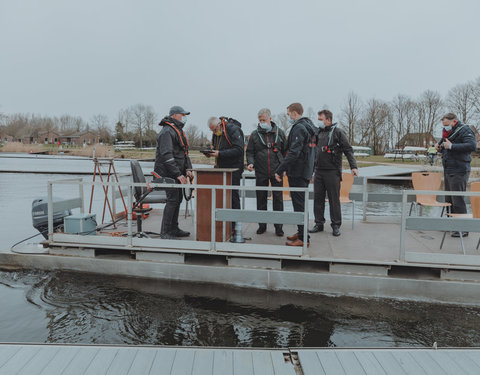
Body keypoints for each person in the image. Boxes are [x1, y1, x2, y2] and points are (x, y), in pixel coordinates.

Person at [309, 110, 358, 237]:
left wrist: (354, 166)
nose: (318, 122)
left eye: (321, 119)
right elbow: (314, 153)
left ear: (328, 120)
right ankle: (319, 224)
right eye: (318, 119)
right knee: (318, 199)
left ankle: (336, 225)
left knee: (334, 200)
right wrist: (311, 172)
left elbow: (348, 150)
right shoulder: (318, 133)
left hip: (332, 172)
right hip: (319, 172)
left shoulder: (338, 132)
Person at [275, 103, 316, 247]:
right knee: (301, 205)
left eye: (288, 114)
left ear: (294, 113)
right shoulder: (309, 126)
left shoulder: (299, 127)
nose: (288, 117)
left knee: (299, 206)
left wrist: (280, 169)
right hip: (304, 171)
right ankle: (301, 232)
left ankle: (304, 239)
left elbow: (294, 152)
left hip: (298, 173)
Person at [154, 106, 194, 239]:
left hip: (176, 172)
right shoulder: (167, 132)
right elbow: (167, 155)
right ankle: (165, 232)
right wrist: (178, 174)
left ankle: (174, 228)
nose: (184, 117)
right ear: (174, 115)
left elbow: (183, 153)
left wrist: (188, 168)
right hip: (167, 174)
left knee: (178, 199)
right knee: (172, 200)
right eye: (182, 115)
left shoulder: (177, 131)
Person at [246, 108, 287, 236]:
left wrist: (284, 168)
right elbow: (250, 152)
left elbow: (285, 152)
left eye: (264, 120)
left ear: (270, 119)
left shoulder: (280, 133)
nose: (262, 122)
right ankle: (262, 225)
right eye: (260, 120)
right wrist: (250, 162)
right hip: (261, 171)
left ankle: (278, 227)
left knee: (278, 200)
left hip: (277, 171)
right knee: (261, 199)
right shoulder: (254, 134)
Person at [435, 113, 477, 238]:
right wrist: (440, 148)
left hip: (459, 169)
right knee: (449, 200)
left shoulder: (465, 130)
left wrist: (452, 146)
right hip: (448, 169)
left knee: (458, 199)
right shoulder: (447, 133)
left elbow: (472, 146)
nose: (445, 127)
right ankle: (451, 225)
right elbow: (445, 147)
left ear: (454, 121)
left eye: (447, 125)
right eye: (443, 125)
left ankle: (463, 229)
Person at [206, 116, 245, 218]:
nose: (214, 133)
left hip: (234, 169)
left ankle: (236, 224)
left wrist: (219, 154)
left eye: (214, 130)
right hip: (220, 168)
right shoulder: (216, 133)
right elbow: (217, 147)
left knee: (233, 196)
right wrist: (211, 152)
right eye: (212, 131)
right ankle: (225, 223)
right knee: (221, 196)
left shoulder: (233, 130)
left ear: (219, 125)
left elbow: (239, 150)